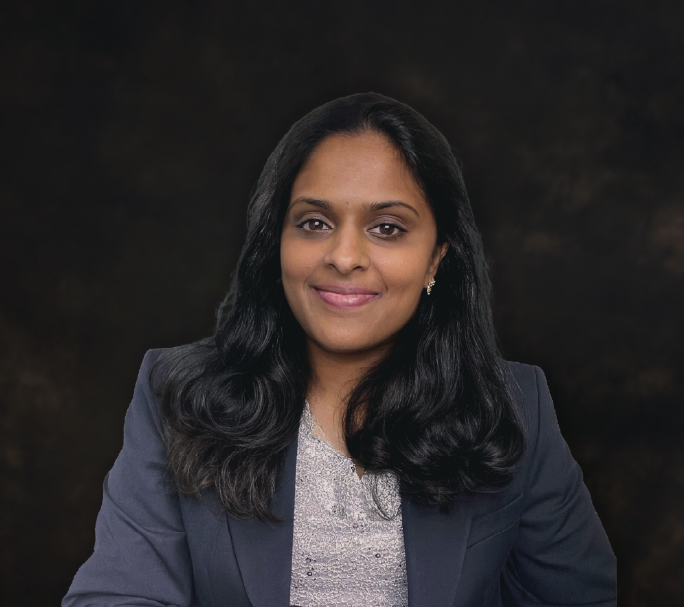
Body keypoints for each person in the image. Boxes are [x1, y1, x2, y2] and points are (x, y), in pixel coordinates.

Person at [63, 93, 616, 607]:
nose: (344, 256)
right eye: (314, 222)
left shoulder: (515, 407)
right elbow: (117, 596)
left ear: (436, 258)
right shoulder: (177, 397)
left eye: (387, 228)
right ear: (276, 242)